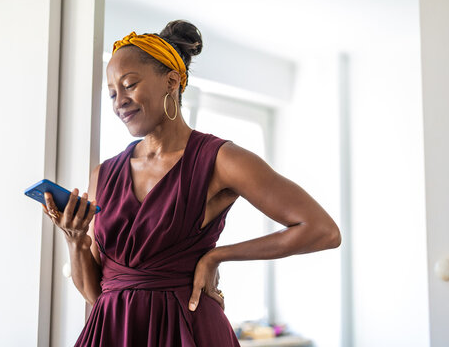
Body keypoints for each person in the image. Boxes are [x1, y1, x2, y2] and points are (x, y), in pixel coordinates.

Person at [42, 19, 341, 346]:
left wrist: (218, 256)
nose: (119, 102)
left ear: (171, 82)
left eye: (129, 84)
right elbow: (97, 294)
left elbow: (321, 229)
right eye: (112, 93)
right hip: (113, 333)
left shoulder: (220, 159)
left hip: (188, 331)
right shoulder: (104, 173)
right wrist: (75, 240)